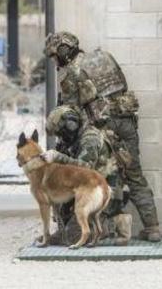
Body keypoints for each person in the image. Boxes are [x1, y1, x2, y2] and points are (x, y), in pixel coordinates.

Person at [44, 31, 161, 242]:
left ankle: (103, 226)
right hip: (127, 124)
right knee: (134, 174)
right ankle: (152, 228)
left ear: (63, 50)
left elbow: (71, 110)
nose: (55, 61)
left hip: (104, 126)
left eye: (55, 55)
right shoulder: (102, 57)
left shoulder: (71, 72)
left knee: (102, 175)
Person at [42, 105, 132, 246]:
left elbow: (86, 167)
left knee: (73, 238)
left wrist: (59, 157)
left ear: (70, 126)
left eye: (61, 132)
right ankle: (68, 229)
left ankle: (117, 223)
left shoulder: (90, 138)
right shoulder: (71, 141)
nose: (60, 137)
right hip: (85, 190)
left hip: (104, 191)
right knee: (65, 229)